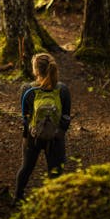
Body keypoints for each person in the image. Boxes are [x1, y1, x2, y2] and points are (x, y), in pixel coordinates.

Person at [14, 52, 71, 202]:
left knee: (26, 168)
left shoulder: (28, 89)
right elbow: (66, 116)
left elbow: (25, 116)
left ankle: (18, 197)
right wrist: (59, 133)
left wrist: (28, 134)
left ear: (36, 71)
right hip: (55, 138)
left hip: (33, 137)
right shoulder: (62, 89)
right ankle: (53, 203)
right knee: (56, 172)